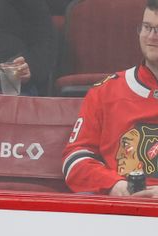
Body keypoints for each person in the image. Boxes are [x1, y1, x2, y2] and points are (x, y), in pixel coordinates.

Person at [63, 0, 158, 197]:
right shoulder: (106, 92)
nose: (150, 37)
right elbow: (75, 160)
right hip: (120, 209)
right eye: (146, 27)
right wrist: (114, 186)